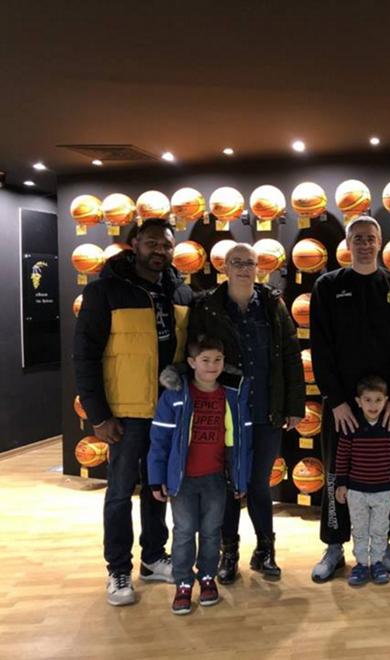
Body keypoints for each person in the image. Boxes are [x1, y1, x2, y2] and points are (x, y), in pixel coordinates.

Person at [74, 219, 193, 606]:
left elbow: (187, 350)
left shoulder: (180, 292)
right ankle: (118, 569)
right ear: (135, 244)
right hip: (125, 411)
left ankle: (153, 557)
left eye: (167, 245)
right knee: (120, 492)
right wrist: (98, 415)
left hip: (167, 410)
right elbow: (85, 356)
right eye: (152, 243)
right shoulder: (104, 291)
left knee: (158, 488)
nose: (160, 250)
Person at [187, 243, 305, 583]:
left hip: (266, 410)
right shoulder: (207, 307)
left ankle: (265, 550)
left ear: (259, 268)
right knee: (228, 484)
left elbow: (291, 356)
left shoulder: (273, 305)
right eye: (236, 262)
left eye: (249, 263)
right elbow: (193, 357)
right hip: (225, 412)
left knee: (257, 484)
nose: (243, 268)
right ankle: (229, 552)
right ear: (224, 267)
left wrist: (294, 406)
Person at [309, 216, 390, 582]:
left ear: (380, 242)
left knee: (384, 475)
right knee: (336, 474)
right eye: (358, 238)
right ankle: (335, 545)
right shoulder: (327, 286)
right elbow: (320, 347)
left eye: (370, 238)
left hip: (384, 405)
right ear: (347, 243)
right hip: (342, 405)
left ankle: (381, 545)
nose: (365, 244)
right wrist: (336, 399)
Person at [147, 334, 253, 614]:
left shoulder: (232, 395)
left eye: (218, 360)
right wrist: (156, 478)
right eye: (205, 360)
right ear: (192, 362)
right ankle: (183, 582)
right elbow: (159, 440)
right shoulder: (175, 396)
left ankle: (207, 577)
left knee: (211, 532)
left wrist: (240, 479)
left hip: (216, 479)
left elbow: (242, 441)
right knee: (183, 532)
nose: (212, 365)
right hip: (182, 480)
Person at [335, 375, 390, 586]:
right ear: (358, 401)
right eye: (368, 400)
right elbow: (342, 456)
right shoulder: (352, 426)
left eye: (378, 400)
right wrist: (341, 483)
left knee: (380, 530)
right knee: (360, 530)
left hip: (383, 491)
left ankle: (378, 563)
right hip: (356, 491)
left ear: (386, 400)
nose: (373, 405)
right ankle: (362, 564)